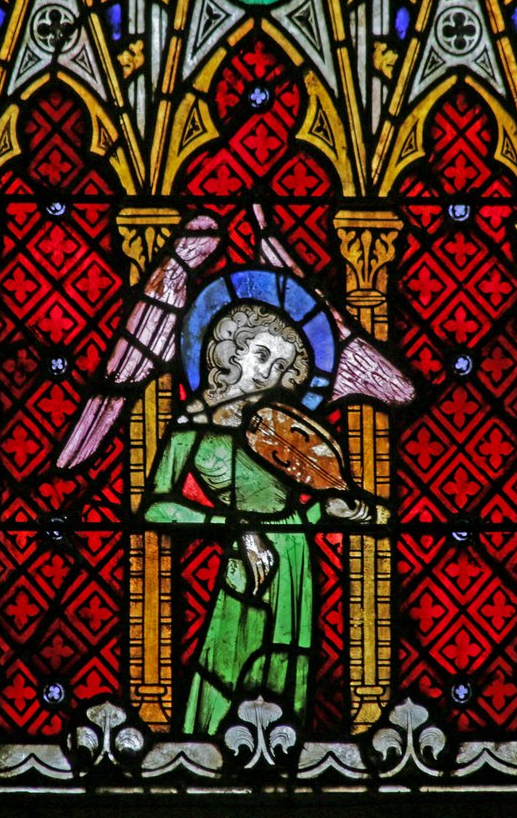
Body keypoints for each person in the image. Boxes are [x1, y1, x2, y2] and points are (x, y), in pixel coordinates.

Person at [143, 301, 368, 735]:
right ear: (231, 350)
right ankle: (204, 751)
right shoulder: (192, 423)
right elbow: (155, 507)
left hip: (294, 558)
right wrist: (236, 527)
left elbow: (288, 513)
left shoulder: (278, 430)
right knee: (229, 666)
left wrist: (325, 510)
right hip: (245, 558)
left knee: (288, 670)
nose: (269, 373)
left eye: (281, 366)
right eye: (262, 355)